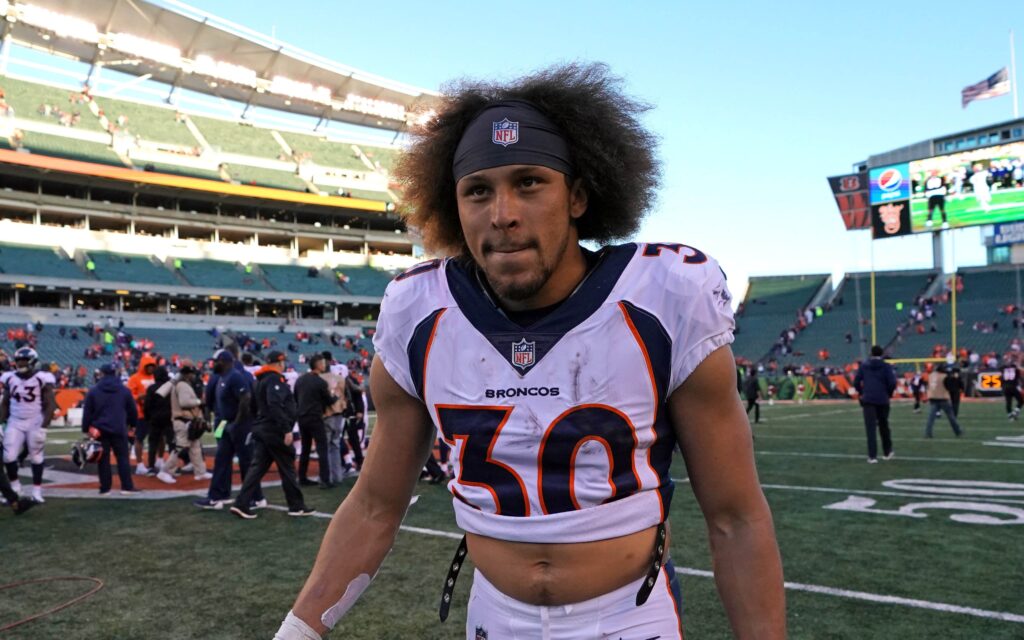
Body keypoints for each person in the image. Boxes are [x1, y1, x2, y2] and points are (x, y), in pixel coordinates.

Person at [272, 64, 784, 640]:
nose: (503, 214)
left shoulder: (665, 296)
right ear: (453, 207)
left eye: (530, 182)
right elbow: (374, 505)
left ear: (579, 195)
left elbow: (736, 518)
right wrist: (297, 631)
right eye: (478, 191)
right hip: (496, 617)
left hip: (630, 616)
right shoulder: (417, 309)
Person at [230, 351, 314, 519]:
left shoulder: (259, 380)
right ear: (279, 362)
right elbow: (275, 404)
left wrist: (259, 423)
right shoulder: (274, 379)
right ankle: (296, 506)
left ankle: (241, 502)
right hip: (274, 430)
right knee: (287, 467)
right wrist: (286, 429)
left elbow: (252, 406)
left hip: (263, 429)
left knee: (257, 469)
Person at [194, 350, 264, 510]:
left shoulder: (235, 376)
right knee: (221, 459)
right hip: (224, 424)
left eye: (216, 361)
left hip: (239, 425)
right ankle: (217, 496)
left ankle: (257, 497)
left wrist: (237, 423)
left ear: (224, 361)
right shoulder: (221, 378)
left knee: (246, 461)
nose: (213, 364)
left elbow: (246, 398)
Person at [1, 347, 57, 503]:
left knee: (36, 457)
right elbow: (5, 403)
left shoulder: (42, 378)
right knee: (8, 456)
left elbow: (50, 405)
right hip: (15, 420)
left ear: (33, 361)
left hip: (35, 421)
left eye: (24, 360)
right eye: (18, 360)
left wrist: (43, 427)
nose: (21, 363)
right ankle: (15, 487)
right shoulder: (10, 378)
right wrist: (0, 422)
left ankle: (37, 491)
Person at [80, 363, 140, 494]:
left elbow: (87, 412)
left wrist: (85, 428)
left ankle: (105, 487)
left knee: (103, 459)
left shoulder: (94, 391)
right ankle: (127, 486)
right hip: (119, 428)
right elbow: (133, 411)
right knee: (123, 458)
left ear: (101, 374)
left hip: (100, 430)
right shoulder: (124, 390)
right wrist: (132, 425)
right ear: (115, 373)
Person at [156, 361, 211, 484]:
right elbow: (185, 402)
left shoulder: (179, 384)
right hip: (183, 420)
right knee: (180, 447)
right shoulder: (182, 385)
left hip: (185, 420)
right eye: (192, 373)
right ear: (187, 374)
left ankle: (200, 472)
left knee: (195, 447)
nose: (194, 376)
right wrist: (199, 402)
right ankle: (165, 471)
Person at [295, 354, 338, 488]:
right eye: (323, 363)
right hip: (315, 417)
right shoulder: (320, 382)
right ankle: (325, 480)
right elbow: (328, 400)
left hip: (302, 417)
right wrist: (335, 396)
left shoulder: (300, 380)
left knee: (305, 448)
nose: (324, 365)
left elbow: (295, 397)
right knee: (322, 448)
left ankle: (302, 477)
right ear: (318, 364)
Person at [853, 345, 896, 463]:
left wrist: (862, 392)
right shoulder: (886, 366)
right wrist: (888, 393)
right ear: (881, 354)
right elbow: (892, 382)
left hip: (868, 399)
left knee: (870, 429)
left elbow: (856, 382)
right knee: (884, 426)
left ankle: (872, 456)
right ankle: (887, 452)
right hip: (882, 399)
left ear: (871, 353)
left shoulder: (864, 366)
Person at [319, 351, 351, 484]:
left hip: (326, 414)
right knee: (336, 445)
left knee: (326, 446)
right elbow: (348, 393)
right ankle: (338, 475)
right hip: (339, 412)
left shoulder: (321, 378)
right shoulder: (341, 376)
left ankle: (327, 477)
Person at [126, 353, 157, 475]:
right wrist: (140, 396)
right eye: (148, 366)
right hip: (141, 413)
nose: (150, 368)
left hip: (155, 412)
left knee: (157, 438)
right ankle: (139, 464)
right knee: (139, 438)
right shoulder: (134, 378)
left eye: (152, 366)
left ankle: (157, 461)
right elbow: (129, 396)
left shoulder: (155, 377)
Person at [143, 366, 173, 475]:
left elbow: (147, 406)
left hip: (155, 419)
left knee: (153, 444)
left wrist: (148, 418)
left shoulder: (151, 388)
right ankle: (171, 466)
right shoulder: (171, 387)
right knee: (171, 443)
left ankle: (151, 466)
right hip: (169, 418)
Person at [924, 366, 964, 438]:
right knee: (951, 416)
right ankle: (957, 431)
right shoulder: (944, 376)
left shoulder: (931, 375)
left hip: (933, 397)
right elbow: (950, 387)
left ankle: (928, 432)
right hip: (943, 398)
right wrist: (955, 379)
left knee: (931, 418)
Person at [341, 369, 365, 470]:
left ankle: (359, 461)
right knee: (338, 439)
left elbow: (358, 395)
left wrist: (359, 410)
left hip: (350, 414)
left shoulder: (350, 381)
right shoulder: (332, 381)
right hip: (339, 414)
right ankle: (345, 461)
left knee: (353, 439)